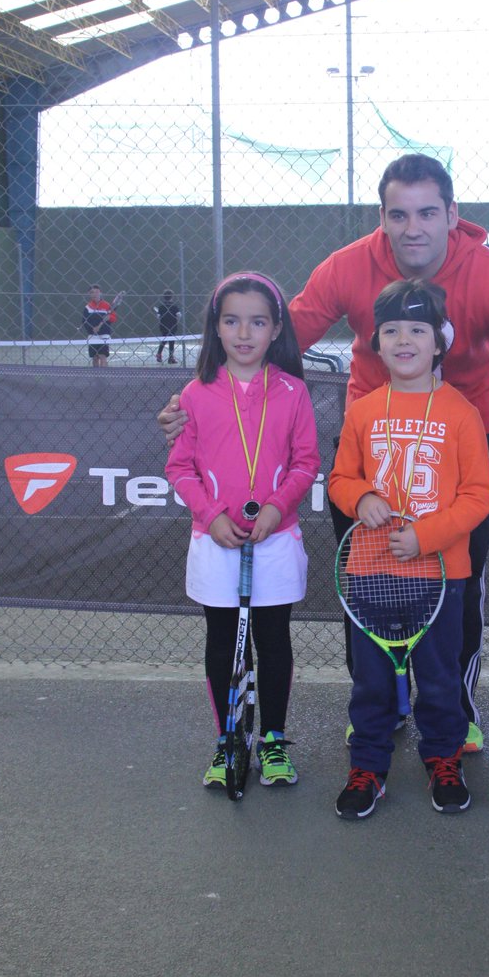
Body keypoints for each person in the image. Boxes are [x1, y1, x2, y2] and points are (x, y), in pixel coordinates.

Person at [158, 154, 489, 750]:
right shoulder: (348, 266)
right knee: (370, 584)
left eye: (428, 213)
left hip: (464, 438)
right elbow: (272, 334)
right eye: (398, 214)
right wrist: (196, 401)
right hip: (370, 442)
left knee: (455, 584)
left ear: (453, 215)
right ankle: (376, 707)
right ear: (382, 217)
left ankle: (453, 709)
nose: (413, 228)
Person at [328, 279, 489, 819]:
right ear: (376, 343)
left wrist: (426, 536)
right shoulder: (362, 411)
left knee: (441, 682)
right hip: (372, 573)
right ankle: (368, 767)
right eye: (392, 330)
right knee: (371, 683)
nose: (405, 340)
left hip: (440, 577)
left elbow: (479, 495)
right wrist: (362, 497)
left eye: (418, 329)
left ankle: (442, 759)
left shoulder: (461, 413)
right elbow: (339, 480)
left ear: (439, 341)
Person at [165, 272, 320, 791]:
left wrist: (275, 509)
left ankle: (272, 740)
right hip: (216, 541)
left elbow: (306, 462)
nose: (244, 332)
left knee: (272, 640)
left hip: (275, 540)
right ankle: (228, 738)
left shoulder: (294, 391)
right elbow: (180, 469)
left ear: (276, 328)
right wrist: (211, 516)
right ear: (216, 327)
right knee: (223, 643)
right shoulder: (195, 393)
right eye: (232, 321)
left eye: (257, 321)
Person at [82, 284, 116, 367]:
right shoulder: (87, 307)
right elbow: (84, 321)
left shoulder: (107, 305)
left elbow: (114, 318)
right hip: (92, 336)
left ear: (100, 293)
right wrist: (92, 329)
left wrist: (109, 317)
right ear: (89, 294)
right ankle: (96, 376)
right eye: (92, 292)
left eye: (97, 292)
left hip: (104, 335)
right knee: (95, 358)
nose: (95, 294)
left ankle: (103, 376)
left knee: (102, 356)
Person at [154, 289, 181, 364]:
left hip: (163, 326)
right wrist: (176, 321)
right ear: (172, 297)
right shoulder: (174, 306)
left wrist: (161, 322)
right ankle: (170, 358)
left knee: (164, 340)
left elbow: (158, 316)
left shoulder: (161, 307)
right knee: (171, 341)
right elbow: (179, 315)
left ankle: (159, 354)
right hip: (172, 326)